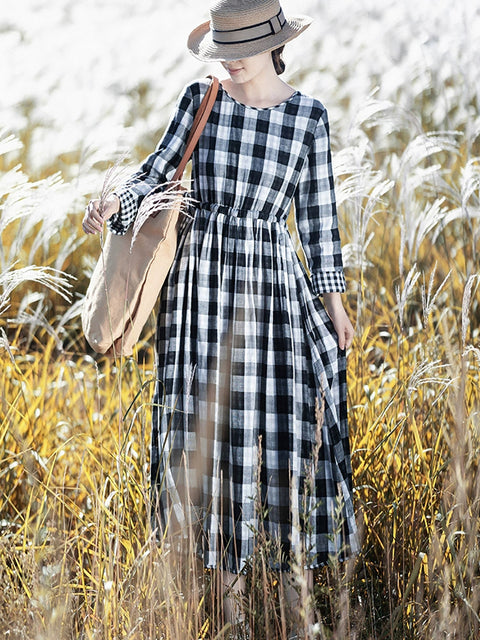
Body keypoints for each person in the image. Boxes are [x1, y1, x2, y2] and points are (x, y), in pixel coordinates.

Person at [83, 0, 358, 633]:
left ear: (274, 44)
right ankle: (230, 613)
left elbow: (318, 223)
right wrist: (112, 203)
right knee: (210, 433)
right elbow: (155, 176)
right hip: (199, 293)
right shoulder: (200, 99)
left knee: (281, 430)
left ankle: (297, 607)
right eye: (222, 52)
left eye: (239, 52)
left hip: (272, 294)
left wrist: (335, 306)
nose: (229, 64)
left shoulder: (309, 119)